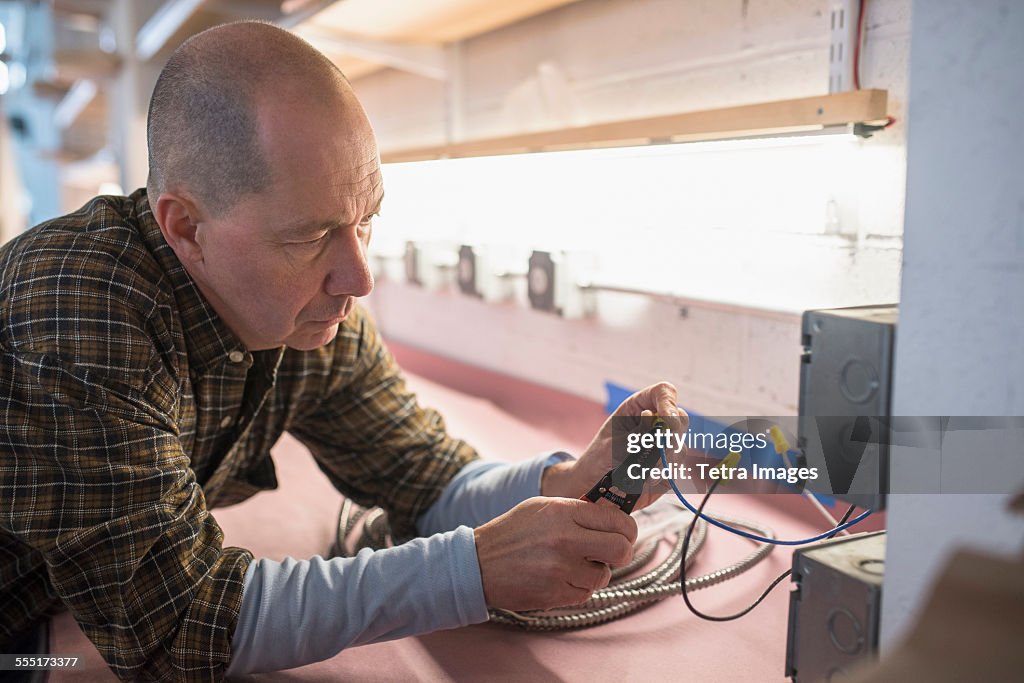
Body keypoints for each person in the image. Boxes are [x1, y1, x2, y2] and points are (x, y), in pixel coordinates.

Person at [0, 21, 685, 680]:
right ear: (187, 227)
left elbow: (425, 477)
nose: (358, 276)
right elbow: (181, 624)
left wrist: (563, 484)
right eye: (308, 236)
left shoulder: (302, 314)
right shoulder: (77, 307)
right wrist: (473, 570)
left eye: (365, 220)